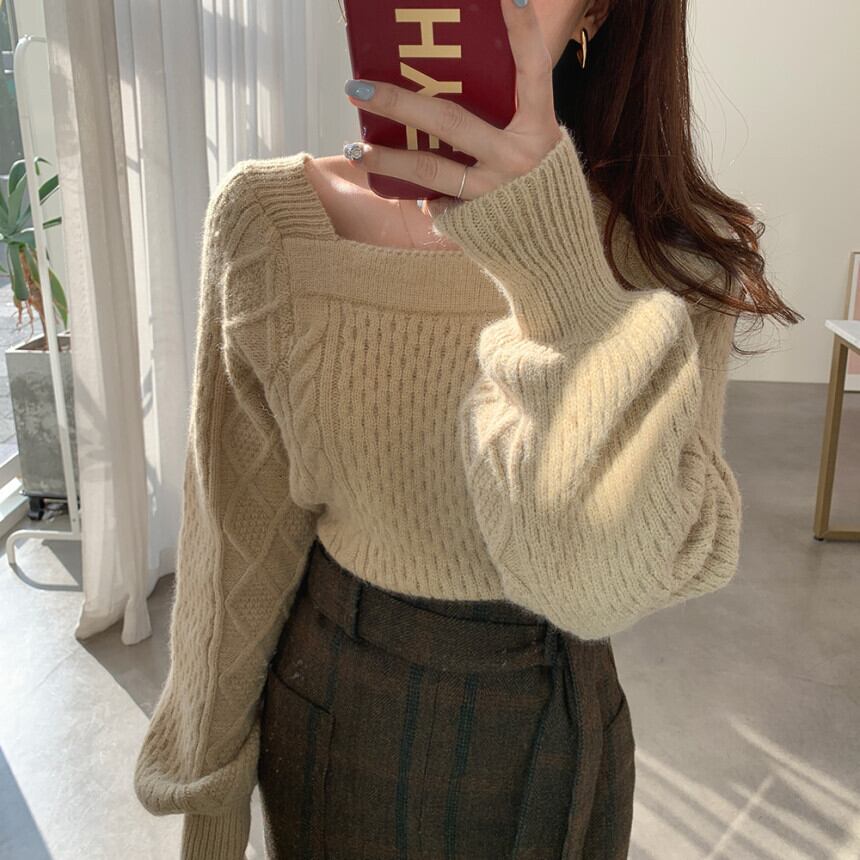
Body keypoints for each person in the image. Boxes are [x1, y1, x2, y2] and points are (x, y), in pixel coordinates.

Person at [133, 0, 800, 858]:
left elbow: (600, 587)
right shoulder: (271, 223)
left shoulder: (669, 256)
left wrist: (557, 273)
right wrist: (209, 806)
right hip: (339, 724)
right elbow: (237, 541)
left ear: (595, 11)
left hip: (563, 738)